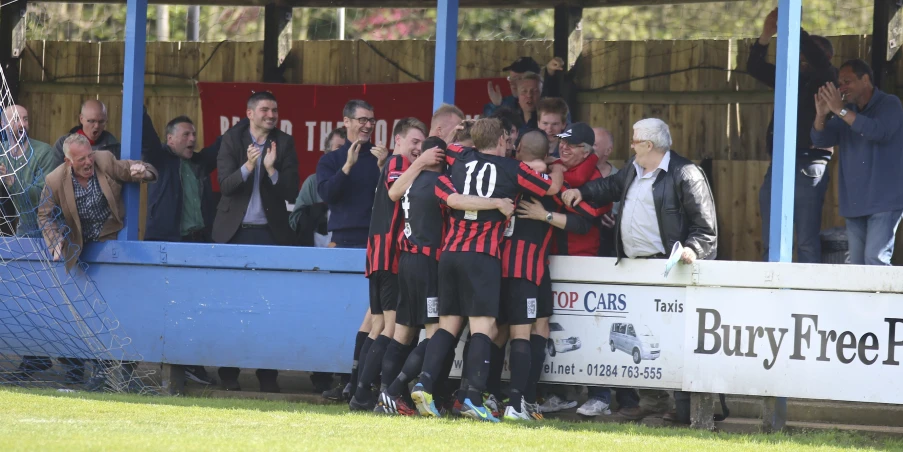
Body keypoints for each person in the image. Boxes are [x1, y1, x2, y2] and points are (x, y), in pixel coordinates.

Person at [561, 118, 717, 424]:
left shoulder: (686, 173)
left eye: (634, 140)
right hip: (634, 269)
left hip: (669, 269)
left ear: (648, 145)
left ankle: (684, 408)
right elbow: (610, 186)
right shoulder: (634, 167)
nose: (630, 145)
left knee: (673, 338)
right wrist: (583, 192)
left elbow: (706, 229)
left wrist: (693, 250)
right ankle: (653, 400)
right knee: (641, 336)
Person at [410, 118, 563, 422]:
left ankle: (423, 383)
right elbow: (550, 187)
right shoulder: (514, 169)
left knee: (448, 326)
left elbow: (447, 146)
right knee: (484, 328)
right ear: (503, 139)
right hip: (482, 256)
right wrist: (553, 166)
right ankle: (472, 397)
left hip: (450, 254)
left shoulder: (459, 157)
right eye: (507, 140)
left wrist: (458, 131)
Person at [211, 91, 300, 393]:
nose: (271, 115)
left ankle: (267, 375)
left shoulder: (284, 143)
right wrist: (249, 166)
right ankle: (228, 373)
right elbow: (224, 186)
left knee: (270, 307)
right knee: (232, 306)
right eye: (265, 110)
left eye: (275, 110)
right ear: (250, 113)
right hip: (235, 233)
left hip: (270, 234)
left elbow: (291, 192)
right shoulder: (232, 140)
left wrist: (272, 169)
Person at [348, 118, 428, 411]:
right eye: (414, 142)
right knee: (391, 330)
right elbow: (396, 191)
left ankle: (360, 392)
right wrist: (420, 164)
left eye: (423, 143)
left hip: (379, 256)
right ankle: (373, 395)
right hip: (389, 258)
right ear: (398, 140)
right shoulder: (398, 162)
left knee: (379, 325)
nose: (419, 149)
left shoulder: (395, 163)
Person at [748, 7, 838, 263]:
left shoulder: (828, 78)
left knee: (807, 241)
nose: (803, 57)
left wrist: (791, 26)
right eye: (801, 54)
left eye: (807, 53)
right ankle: (772, 293)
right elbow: (754, 67)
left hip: (810, 161)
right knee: (772, 241)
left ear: (827, 56)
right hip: (779, 163)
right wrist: (766, 34)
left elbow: (818, 61)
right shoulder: (791, 78)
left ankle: (807, 300)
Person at [316, 99, 384, 401]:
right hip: (344, 241)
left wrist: (384, 168)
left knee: (371, 313)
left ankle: (361, 380)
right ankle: (342, 377)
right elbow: (327, 194)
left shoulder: (381, 157)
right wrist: (347, 167)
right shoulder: (331, 160)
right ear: (346, 121)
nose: (368, 125)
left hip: (377, 242)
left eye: (372, 120)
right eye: (362, 119)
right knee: (343, 312)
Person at [811, 59, 903, 266]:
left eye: (847, 81)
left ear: (866, 80)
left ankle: (881, 300)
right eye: (840, 82)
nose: (842, 87)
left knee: (875, 259)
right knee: (858, 266)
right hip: (854, 201)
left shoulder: (890, 104)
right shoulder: (847, 110)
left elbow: (878, 132)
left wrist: (841, 111)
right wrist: (821, 114)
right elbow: (820, 139)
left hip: (884, 200)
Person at [290, 127, 345, 250]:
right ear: (327, 152)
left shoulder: (360, 182)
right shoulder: (313, 182)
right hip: (314, 256)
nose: (344, 153)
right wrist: (318, 213)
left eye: (348, 149)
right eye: (339, 148)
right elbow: (294, 221)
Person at [52, 100, 120, 167]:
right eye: (92, 121)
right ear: (81, 119)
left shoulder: (113, 146)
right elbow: (55, 175)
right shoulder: (63, 144)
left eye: (101, 121)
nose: (97, 126)